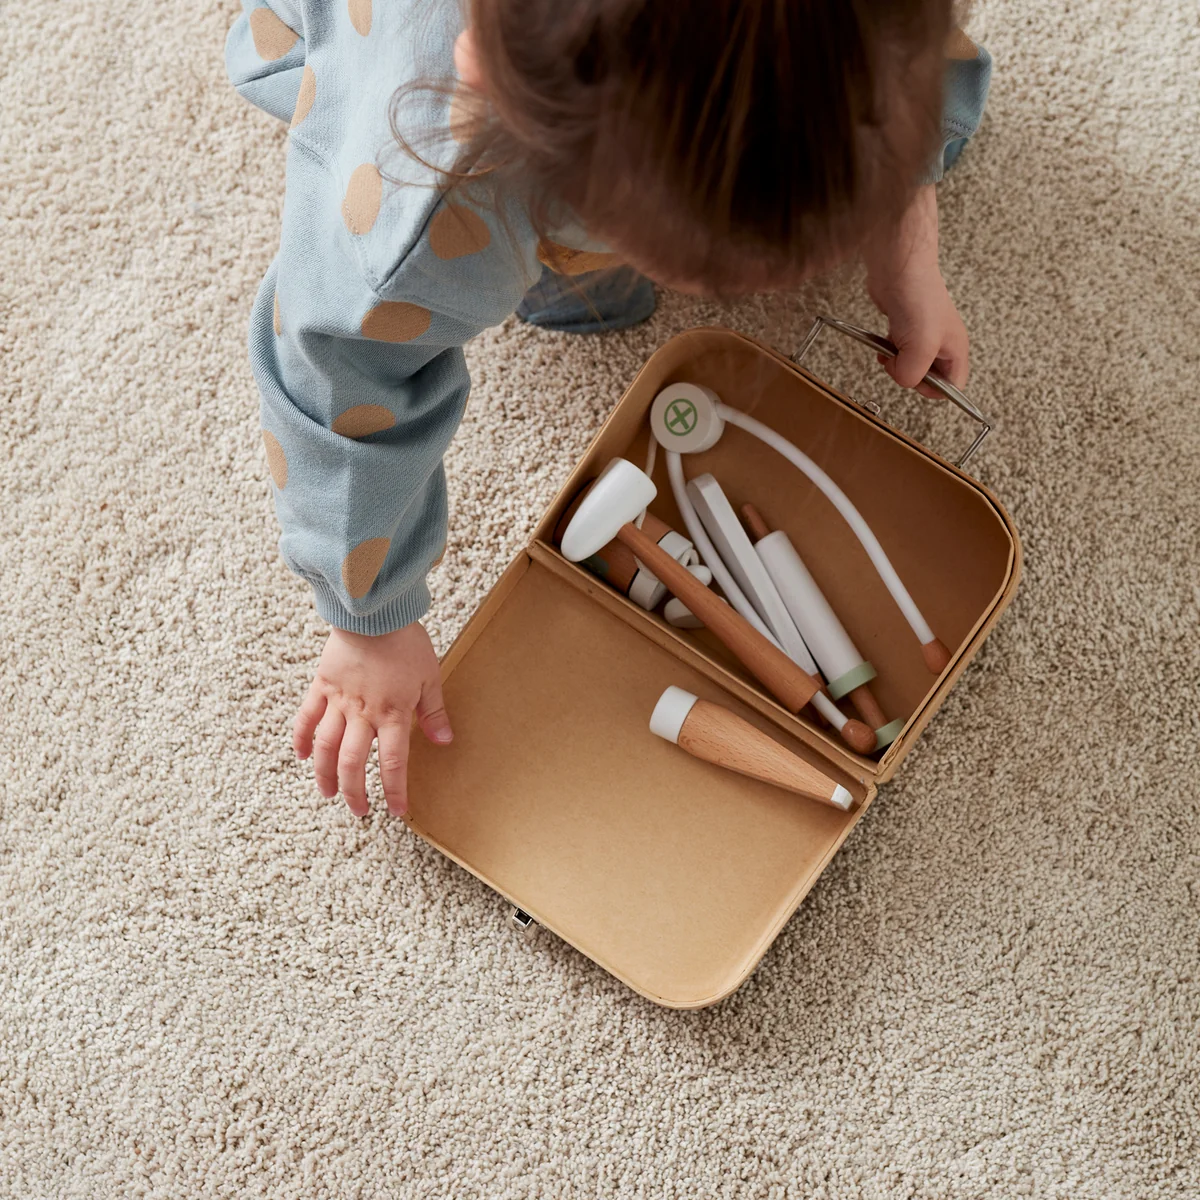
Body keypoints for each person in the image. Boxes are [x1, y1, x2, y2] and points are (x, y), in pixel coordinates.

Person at [225, 0, 992, 817]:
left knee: (897, 125)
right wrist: (370, 621)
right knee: (573, 292)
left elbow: (894, 62)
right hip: (378, 60)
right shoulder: (427, 200)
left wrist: (904, 231)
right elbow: (336, 383)